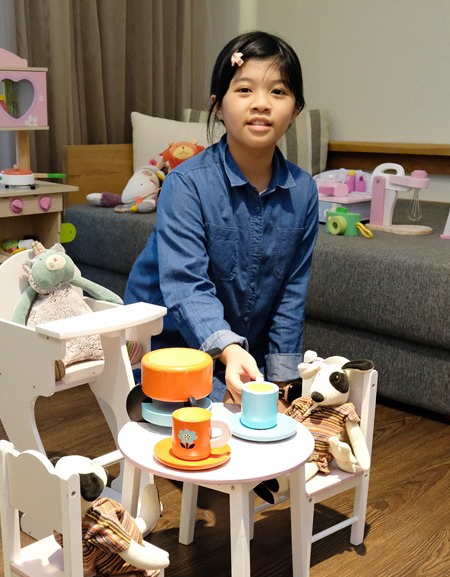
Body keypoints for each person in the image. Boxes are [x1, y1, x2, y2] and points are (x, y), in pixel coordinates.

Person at [124, 31, 318, 406]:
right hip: (168, 348)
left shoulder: (304, 191)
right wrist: (227, 350)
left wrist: (282, 383)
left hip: (245, 354)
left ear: (294, 110)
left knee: (291, 419)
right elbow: (185, 285)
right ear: (218, 106)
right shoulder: (186, 184)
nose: (261, 104)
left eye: (278, 92)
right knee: (224, 426)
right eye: (245, 90)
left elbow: (292, 294)